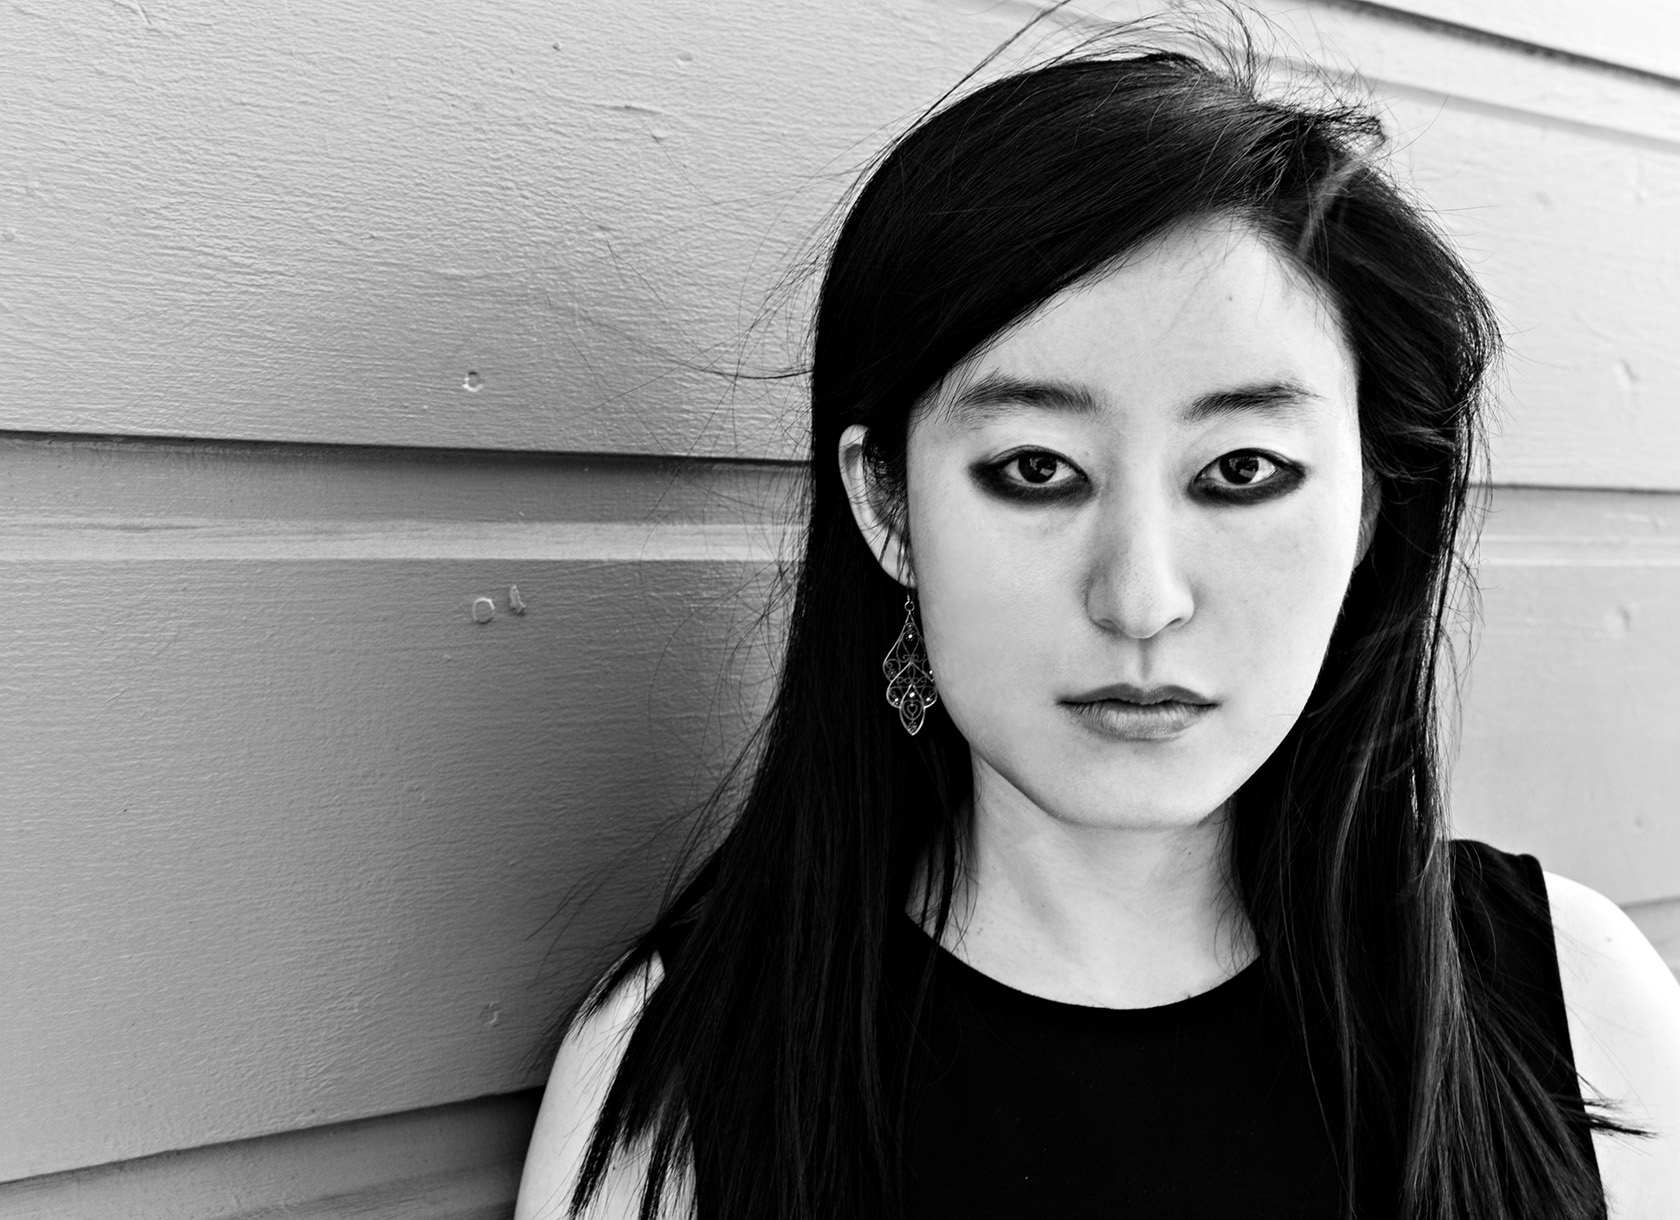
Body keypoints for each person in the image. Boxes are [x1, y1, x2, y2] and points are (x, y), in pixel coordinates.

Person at [515, 29, 1680, 1220]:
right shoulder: (678, 1084)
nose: (1140, 598)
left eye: (1240, 470)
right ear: (886, 504)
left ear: (1370, 503)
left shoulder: (1580, 1007)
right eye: (1035, 468)